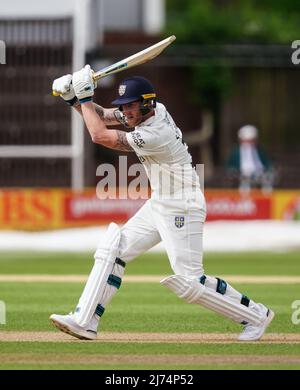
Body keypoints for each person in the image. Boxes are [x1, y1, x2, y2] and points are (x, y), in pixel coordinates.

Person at [50, 65, 274, 341]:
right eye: (124, 106)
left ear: (147, 105)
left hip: (183, 204)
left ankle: (256, 316)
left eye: (131, 106)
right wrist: (74, 99)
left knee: (190, 282)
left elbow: (100, 135)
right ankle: (84, 321)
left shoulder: (156, 134)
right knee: (113, 249)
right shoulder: (154, 110)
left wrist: (83, 97)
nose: (126, 112)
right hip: (160, 201)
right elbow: (105, 117)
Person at [226, 125, 275, 194]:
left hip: (259, 175)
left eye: (251, 141)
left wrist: (268, 170)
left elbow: (267, 164)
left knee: (267, 184)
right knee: (245, 185)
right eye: (246, 141)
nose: (249, 143)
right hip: (242, 176)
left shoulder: (260, 151)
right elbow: (230, 166)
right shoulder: (235, 153)